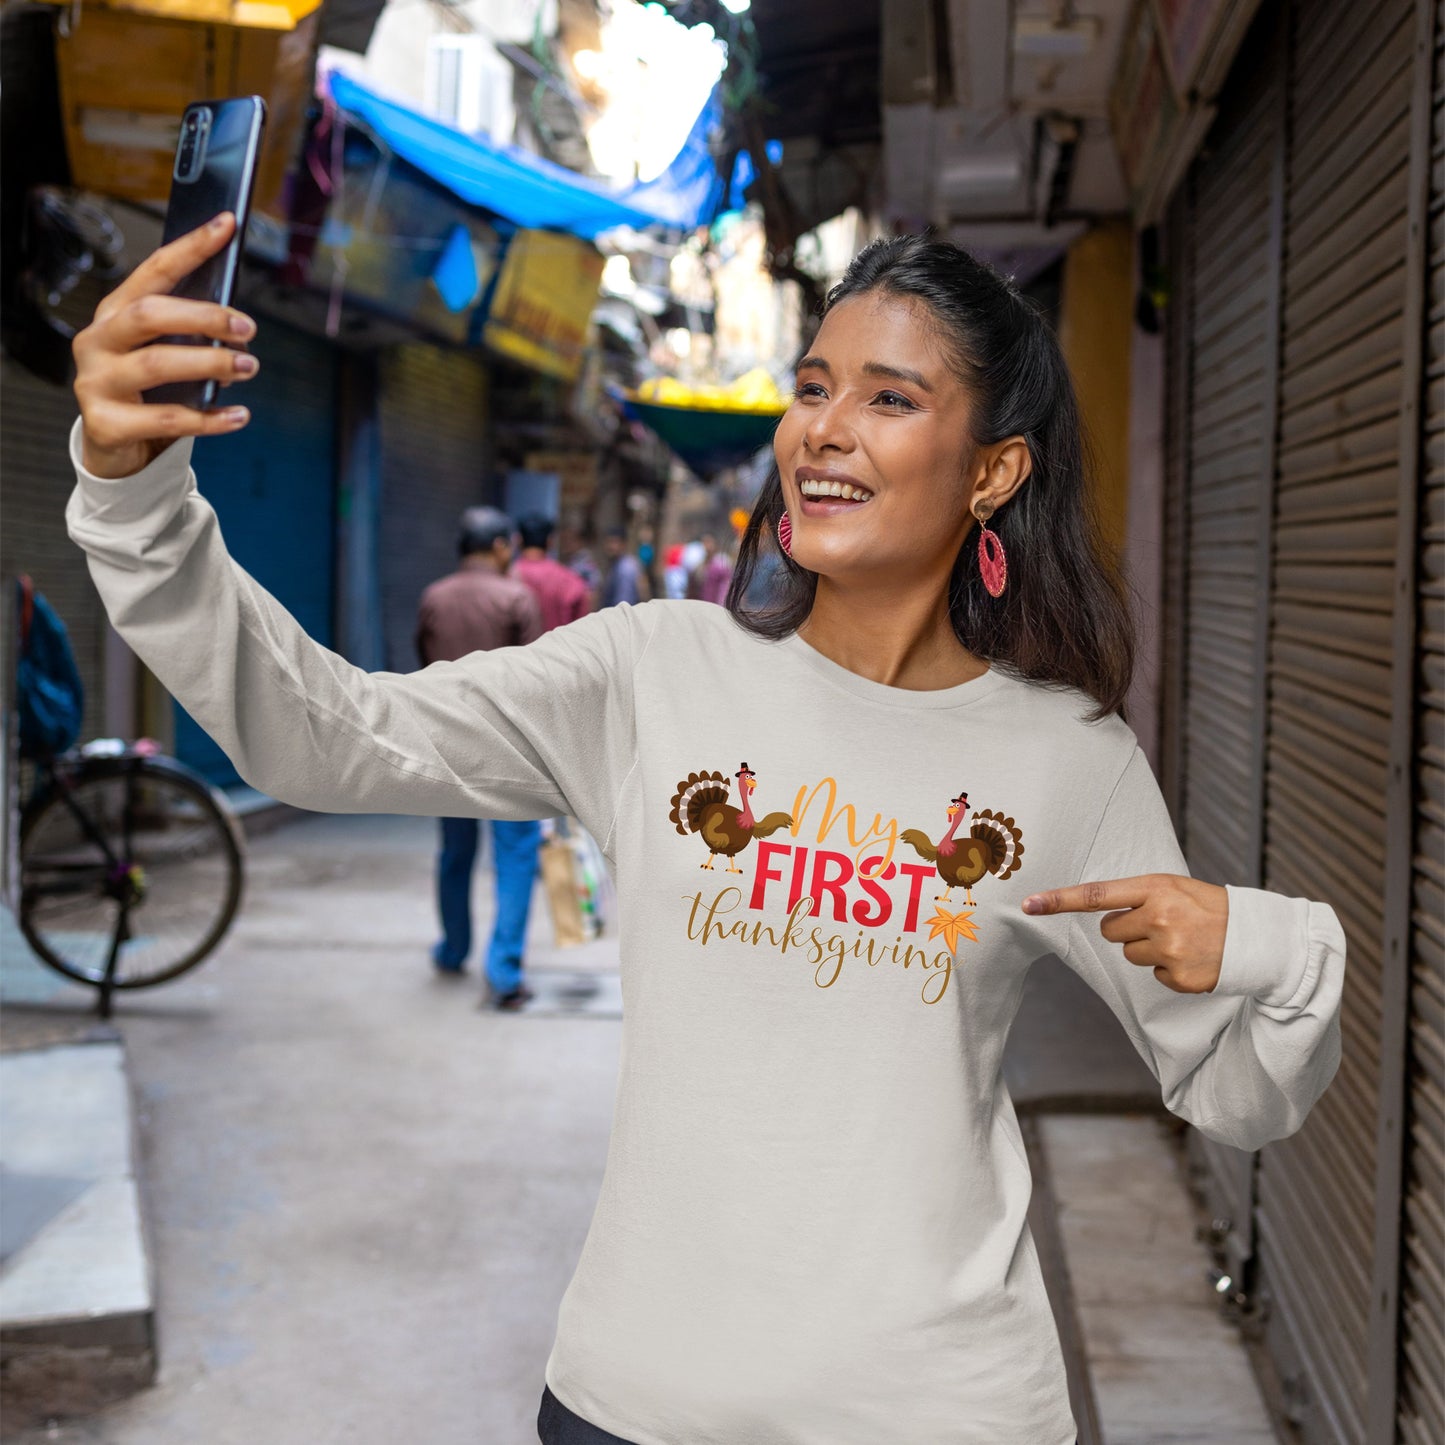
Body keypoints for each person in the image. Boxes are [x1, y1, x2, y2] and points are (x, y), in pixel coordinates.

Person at [68, 218, 1345, 1445]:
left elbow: (1233, 1094)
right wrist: (137, 503)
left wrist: (1277, 948)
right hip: (638, 1402)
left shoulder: (1063, 758)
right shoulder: (652, 671)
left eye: (887, 398)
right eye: (812, 387)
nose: (822, 430)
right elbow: (325, 734)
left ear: (992, 471)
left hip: (939, 1411)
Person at [415, 506, 544, 1009]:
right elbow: (537, 683)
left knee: (455, 853)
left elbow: (424, 668)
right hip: (508, 750)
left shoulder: (434, 597)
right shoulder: (516, 597)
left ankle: (452, 950)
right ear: (499, 547)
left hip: (447, 745)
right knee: (516, 856)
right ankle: (504, 971)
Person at [511, 513, 592, 632]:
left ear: (518, 540)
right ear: (550, 541)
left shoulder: (506, 577)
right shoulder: (570, 580)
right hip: (559, 643)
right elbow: (582, 629)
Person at [599, 528, 647, 607]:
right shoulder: (614, 565)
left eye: (614, 542)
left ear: (623, 544)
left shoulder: (627, 566)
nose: (611, 546)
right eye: (608, 542)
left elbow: (625, 601)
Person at [685, 531, 734, 605]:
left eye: (708, 542)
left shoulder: (721, 563)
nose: (706, 546)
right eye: (704, 543)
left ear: (715, 544)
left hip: (716, 604)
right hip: (702, 603)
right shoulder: (700, 564)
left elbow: (725, 587)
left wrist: (721, 604)